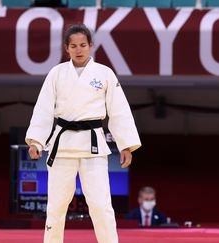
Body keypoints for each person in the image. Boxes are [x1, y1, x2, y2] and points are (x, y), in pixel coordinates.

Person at [25, 24, 141, 243]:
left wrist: (125, 145)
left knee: (101, 204)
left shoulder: (104, 73)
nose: (79, 50)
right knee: (57, 205)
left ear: (91, 46)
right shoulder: (56, 73)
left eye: (83, 45)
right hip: (62, 144)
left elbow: (119, 111)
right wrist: (36, 142)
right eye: (73, 46)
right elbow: (43, 109)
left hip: (93, 144)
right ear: (66, 48)